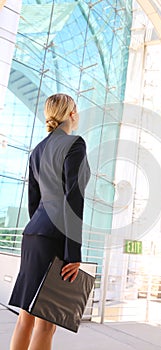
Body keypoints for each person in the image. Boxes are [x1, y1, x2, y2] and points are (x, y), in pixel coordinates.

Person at [8, 93, 90, 350]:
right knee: (46, 322)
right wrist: (73, 253)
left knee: (26, 317)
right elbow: (73, 197)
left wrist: (42, 227)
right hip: (54, 238)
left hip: (33, 235)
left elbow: (34, 201)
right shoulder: (75, 143)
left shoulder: (37, 150)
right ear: (71, 114)